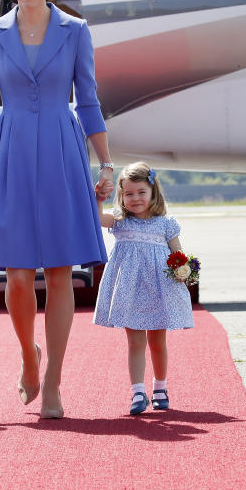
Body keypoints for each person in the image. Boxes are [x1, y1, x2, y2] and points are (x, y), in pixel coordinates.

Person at [0, 0, 114, 419]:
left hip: (61, 148)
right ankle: (29, 357)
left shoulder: (75, 32)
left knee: (58, 272)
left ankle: (53, 381)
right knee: (15, 273)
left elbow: (88, 99)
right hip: (9, 151)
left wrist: (105, 163)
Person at [92, 162, 194, 415]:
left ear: (153, 193)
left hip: (160, 290)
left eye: (141, 192)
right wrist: (99, 199)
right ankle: (137, 391)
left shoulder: (166, 223)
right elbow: (95, 218)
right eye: (129, 194)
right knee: (135, 342)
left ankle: (160, 387)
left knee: (158, 342)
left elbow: (178, 253)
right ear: (122, 196)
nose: (135, 198)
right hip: (131, 292)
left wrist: (184, 270)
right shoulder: (119, 220)